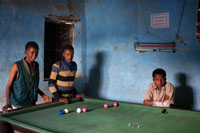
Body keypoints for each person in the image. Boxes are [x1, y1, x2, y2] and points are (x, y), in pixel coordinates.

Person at [2, 41, 50, 113]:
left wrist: (43, 95)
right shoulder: (17, 66)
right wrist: (8, 103)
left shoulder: (36, 65)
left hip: (31, 103)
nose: (34, 55)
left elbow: (34, 85)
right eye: (32, 53)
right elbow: (8, 86)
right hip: (18, 105)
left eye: (36, 53)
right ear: (26, 52)